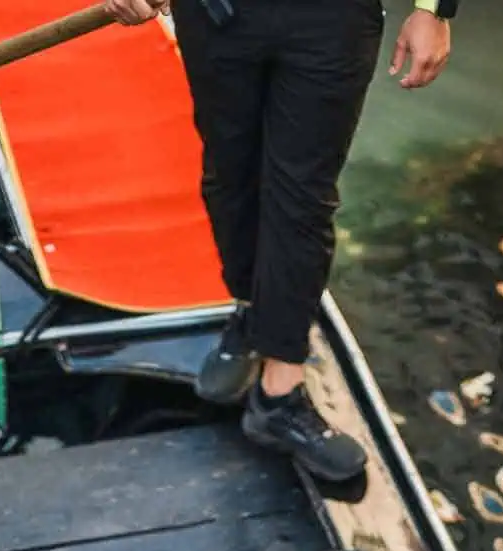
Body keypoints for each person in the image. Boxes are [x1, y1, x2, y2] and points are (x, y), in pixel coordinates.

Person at [106, 0, 457, 482]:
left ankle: (279, 391)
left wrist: (432, 9)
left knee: (302, 198)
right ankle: (252, 310)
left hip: (332, 18)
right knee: (230, 175)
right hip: (215, 14)